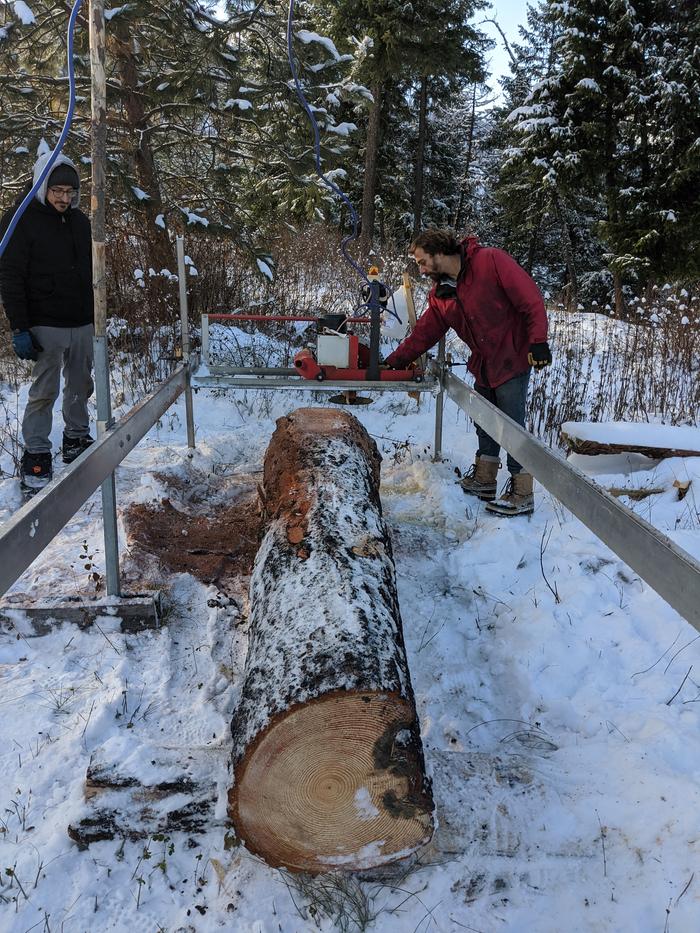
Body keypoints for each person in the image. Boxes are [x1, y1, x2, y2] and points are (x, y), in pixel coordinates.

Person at [384, 229, 551, 516]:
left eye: (423, 262)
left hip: (512, 356)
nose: (422, 270)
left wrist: (538, 341)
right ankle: (485, 478)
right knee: (484, 420)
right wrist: (395, 361)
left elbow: (530, 299)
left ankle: (523, 492)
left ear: (439, 252)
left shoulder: (491, 261)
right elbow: (425, 332)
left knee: (512, 425)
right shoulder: (441, 293)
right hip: (484, 362)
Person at [0, 152, 94, 493]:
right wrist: (20, 327)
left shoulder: (80, 221)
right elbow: (9, 276)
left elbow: (90, 269)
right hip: (44, 322)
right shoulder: (20, 220)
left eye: (70, 192)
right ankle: (37, 453)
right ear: (43, 187)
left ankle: (76, 438)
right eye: (58, 191)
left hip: (82, 320)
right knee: (44, 390)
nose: (64, 199)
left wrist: (96, 313)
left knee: (81, 384)